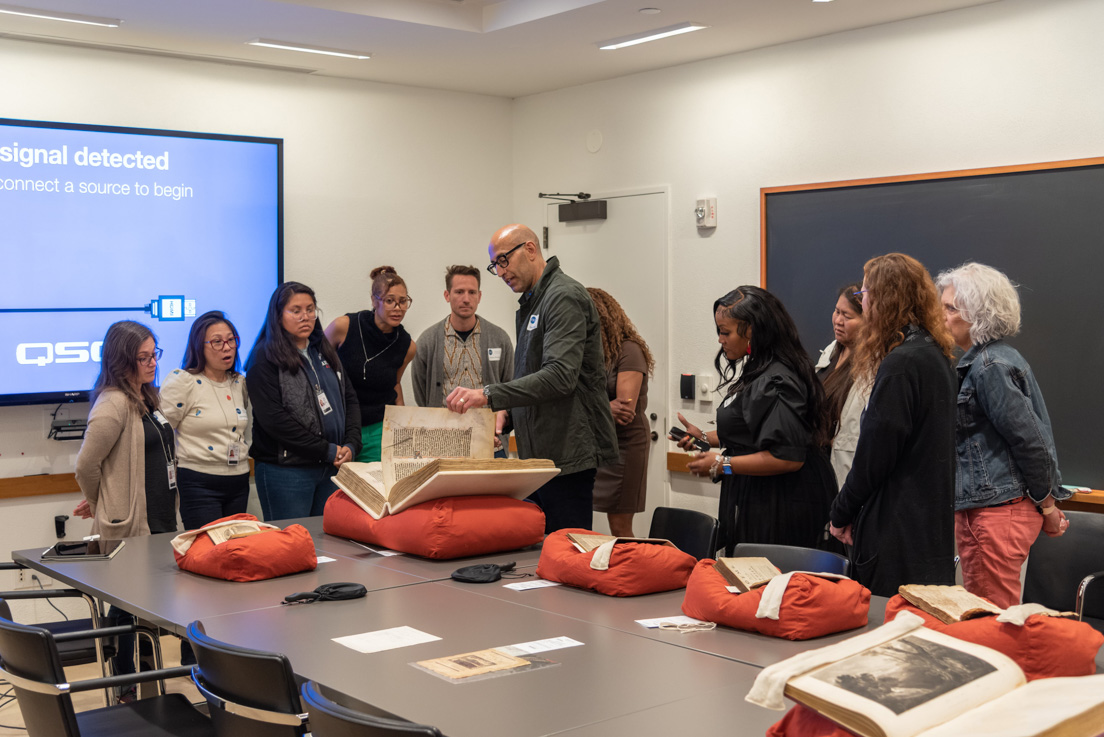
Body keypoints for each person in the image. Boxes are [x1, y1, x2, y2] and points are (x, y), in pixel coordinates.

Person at [445, 224, 618, 534]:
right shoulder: (533, 302)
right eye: (495, 265)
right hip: (539, 456)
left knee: (566, 556)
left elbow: (559, 377)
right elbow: (532, 377)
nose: (500, 272)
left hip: (566, 455)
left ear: (530, 249)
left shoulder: (562, 296)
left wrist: (488, 394)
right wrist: (505, 417)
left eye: (503, 261)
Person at [935, 262, 1070, 607]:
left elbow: (1030, 440)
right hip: (991, 507)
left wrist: (1048, 505)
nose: (941, 315)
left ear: (976, 314)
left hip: (996, 511)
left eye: (950, 307)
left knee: (992, 618)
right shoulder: (986, 361)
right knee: (988, 613)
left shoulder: (990, 366)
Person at [829, 253, 958, 596]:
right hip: (928, 528)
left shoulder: (901, 363)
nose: (863, 299)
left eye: (867, 293)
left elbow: (875, 454)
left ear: (886, 299)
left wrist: (841, 512)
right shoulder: (936, 355)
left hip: (896, 530)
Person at [673, 286, 837, 556]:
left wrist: (721, 464)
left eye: (725, 332)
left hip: (782, 505)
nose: (720, 340)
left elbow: (787, 457)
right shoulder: (759, 368)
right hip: (760, 497)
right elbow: (750, 431)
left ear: (752, 330)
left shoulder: (777, 378)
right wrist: (703, 437)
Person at [73, 320, 175, 694]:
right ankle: (125, 682)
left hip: (160, 515)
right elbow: (86, 465)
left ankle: (147, 678)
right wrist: (103, 503)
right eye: (142, 358)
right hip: (128, 524)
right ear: (121, 362)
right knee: (126, 606)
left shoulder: (148, 396)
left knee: (147, 605)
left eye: (154, 355)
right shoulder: (113, 402)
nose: (151, 364)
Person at [246, 282, 360, 520]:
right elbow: (274, 421)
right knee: (290, 547)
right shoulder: (264, 357)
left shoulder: (323, 349)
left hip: (331, 467)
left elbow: (349, 399)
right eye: (295, 311)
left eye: (310, 309)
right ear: (278, 316)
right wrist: (326, 450)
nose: (305, 317)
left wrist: (351, 444)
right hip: (287, 472)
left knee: (326, 547)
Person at [160, 310, 251, 530]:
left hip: (239, 479)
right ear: (199, 346)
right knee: (209, 551)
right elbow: (161, 434)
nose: (227, 347)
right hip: (198, 482)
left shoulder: (239, 382)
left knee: (236, 550)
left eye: (231, 340)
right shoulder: (184, 381)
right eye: (217, 342)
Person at [411, 265, 514, 452]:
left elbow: (511, 388)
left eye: (472, 292)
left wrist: (502, 416)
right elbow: (422, 394)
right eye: (459, 292)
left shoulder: (499, 339)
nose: (466, 299)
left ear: (479, 296)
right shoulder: (427, 341)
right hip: (442, 446)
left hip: (491, 446)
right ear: (447, 295)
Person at [325, 266, 416, 462]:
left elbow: (395, 383)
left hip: (379, 428)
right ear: (375, 300)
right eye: (390, 300)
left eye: (403, 301)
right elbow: (314, 367)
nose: (398, 308)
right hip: (341, 426)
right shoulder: (344, 327)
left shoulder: (407, 346)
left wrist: (403, 426)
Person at [587, 287, 654, 538]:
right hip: (597, 446)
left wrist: (585, 409)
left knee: (620, 527)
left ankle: (632, 573)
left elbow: (624, 410)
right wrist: (603, 407)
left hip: (625, 448)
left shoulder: (628, 350)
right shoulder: (592, 353)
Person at [814, 284, 870, 487]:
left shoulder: (871, 366)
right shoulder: (831, 351)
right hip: (814, 465)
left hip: (840, 471)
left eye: (847, 316)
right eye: (837, 312)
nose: (838, 320)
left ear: (867, 321)